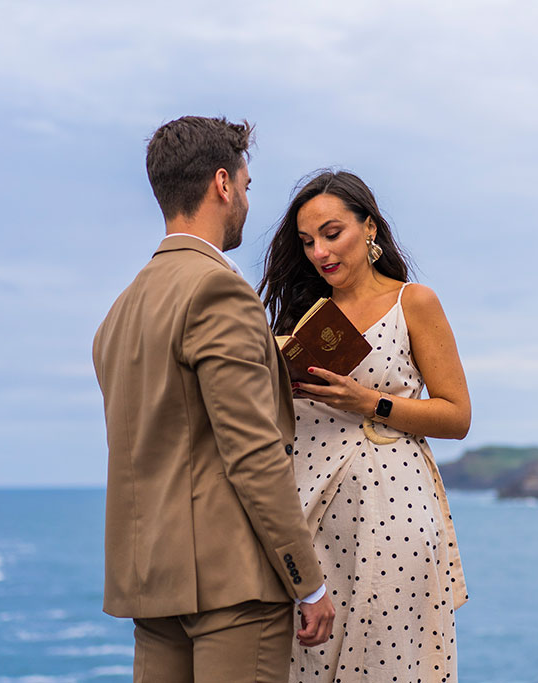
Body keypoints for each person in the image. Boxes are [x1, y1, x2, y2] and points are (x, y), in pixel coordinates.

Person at [92, 116, 335, 683]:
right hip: (233, 588)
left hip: (151, 585)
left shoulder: (120, 312)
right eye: (247, 187)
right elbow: (252, 454)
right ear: (222, 184)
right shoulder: (217, 289)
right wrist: (309, 582)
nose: (247, 202)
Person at [259, 170, 470, 683]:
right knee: (304, 660)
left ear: (369, 227)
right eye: (307, 242)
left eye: (333, 234)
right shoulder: (304, 317)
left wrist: (369, 402)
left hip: (391, 513)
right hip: (306, 514)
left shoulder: (412, 302)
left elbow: (457, 416)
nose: (320, 253)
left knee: (392, 664)